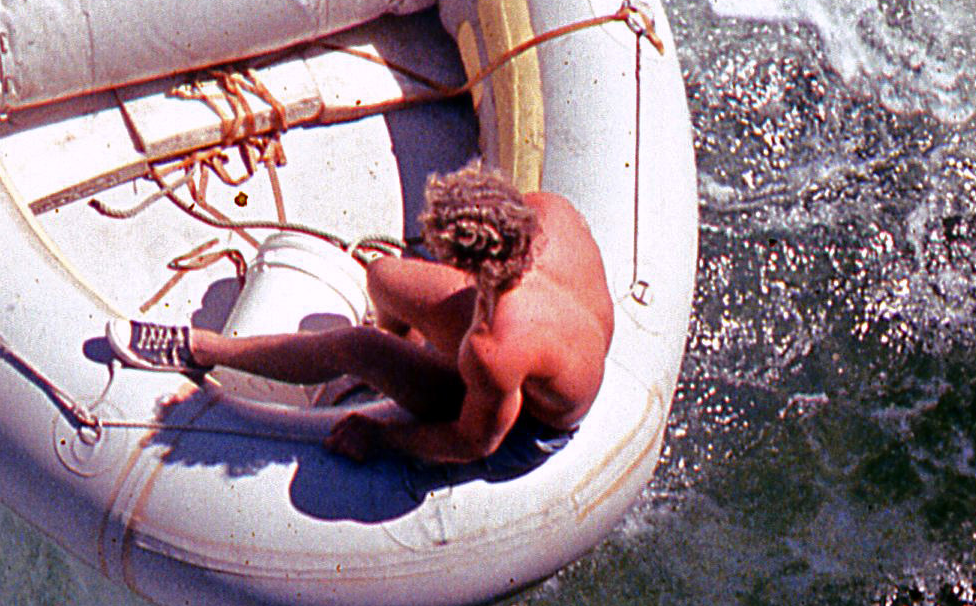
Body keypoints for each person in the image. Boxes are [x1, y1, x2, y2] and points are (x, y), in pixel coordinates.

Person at [110, 162, 615, 465]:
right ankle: (403, 360)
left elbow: (474, 443)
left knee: (357, 347)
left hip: (531, 425)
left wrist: (385, 437)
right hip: (528, 324)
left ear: (466, 264)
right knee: (384, 276)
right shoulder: (549, 212)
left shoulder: (493, 348)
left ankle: (203, 348)